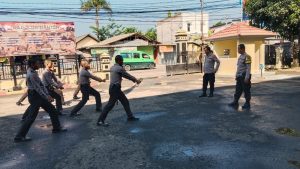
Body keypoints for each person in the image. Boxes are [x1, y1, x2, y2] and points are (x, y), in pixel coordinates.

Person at [14, 58, 67, 143]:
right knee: (31, 117)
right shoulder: (31, 74)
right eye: (37, 64)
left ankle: (57, 128)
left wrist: (47, 95)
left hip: (37, 95)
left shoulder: (33, 72)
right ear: (32, 64)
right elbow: (38, 88)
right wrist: (47, 96)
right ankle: (19, 136)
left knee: (52, 110)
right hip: (35, 96)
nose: (39, 65)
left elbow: (41, 85)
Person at [97, 55, 142, 126]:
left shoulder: (113, 67)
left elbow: (123, 75)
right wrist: (136, 80)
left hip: (115, 88)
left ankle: (130, 116)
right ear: (119, 61)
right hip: (115, 89)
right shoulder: (119, 68)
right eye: (122, 60)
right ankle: (100, 121)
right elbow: (128, 76)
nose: (123, 61)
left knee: (125, 101)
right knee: (110, 105)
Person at [228, 44, 252, 109]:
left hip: (244, 76)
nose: (238, 50)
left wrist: (247, 78)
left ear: (243, 49)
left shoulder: (247, 57)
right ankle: (235, 102)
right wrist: (236, 75)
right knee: (238, 90)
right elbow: (239, 67)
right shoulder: (240, 57)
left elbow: (248, 68)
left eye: (239, 49)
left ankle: (247, 104)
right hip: (239, 76)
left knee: (246, 90)